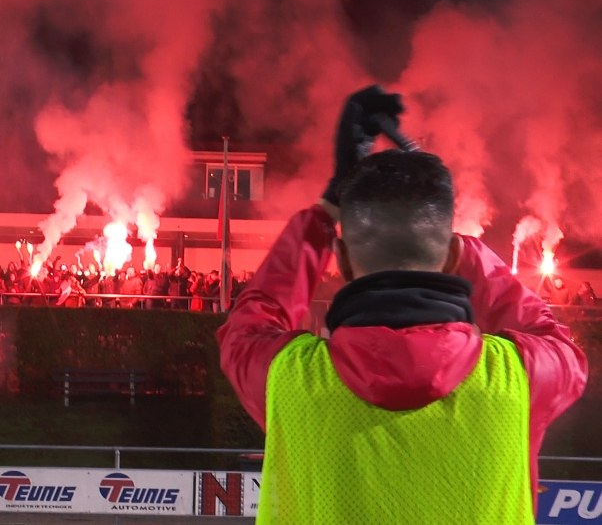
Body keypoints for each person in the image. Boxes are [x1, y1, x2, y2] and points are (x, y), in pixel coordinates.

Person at [217, 86, 587, 523]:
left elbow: (249, 323)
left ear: (341, 262)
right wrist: (461, 248)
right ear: (451, 258)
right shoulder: (519, 378)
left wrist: (326, 211)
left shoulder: (290, 380)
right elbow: (557, 341)